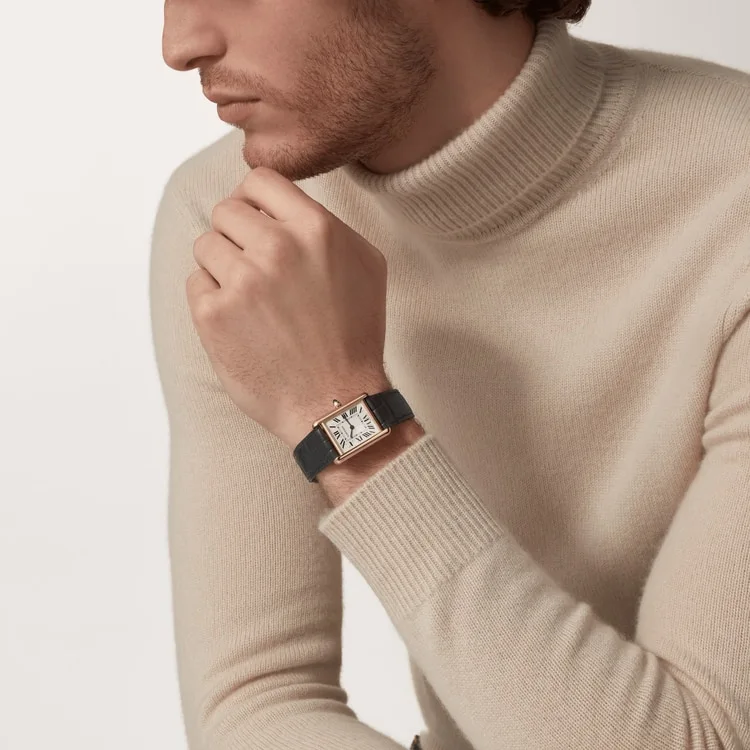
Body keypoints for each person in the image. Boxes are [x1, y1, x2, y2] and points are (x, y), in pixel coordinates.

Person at [150, 1, 750, 749]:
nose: (180, 43)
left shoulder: (733, 199)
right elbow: (254, 703)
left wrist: (344, 414)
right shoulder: (239, 230)